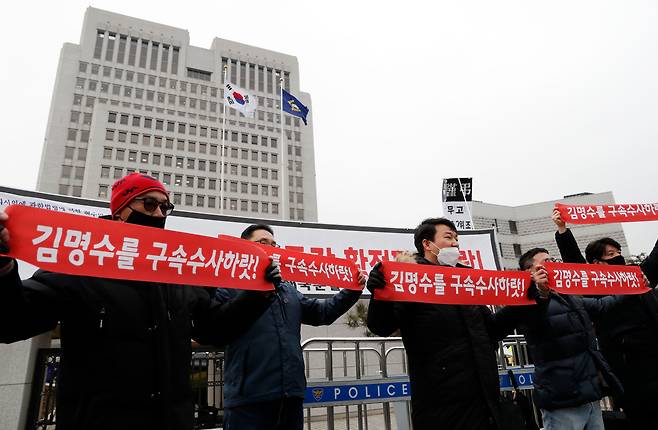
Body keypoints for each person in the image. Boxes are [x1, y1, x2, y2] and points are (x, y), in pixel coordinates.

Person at [0, 173, 277, 430]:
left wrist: (258, 294)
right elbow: (13, 322)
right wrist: (3, 271)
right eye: (148, 204)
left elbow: (215, 329)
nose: (158, 213)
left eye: (164, 207)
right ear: (120, 211)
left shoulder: (179, 269)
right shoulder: (77, 264)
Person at [366, 217, 518, 430]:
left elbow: (492, 330)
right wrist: (379, 293)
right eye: (448, 237)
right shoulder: (410, 283)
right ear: (427, 244)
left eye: (457, 238)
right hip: (441, 408)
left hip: (483, 403)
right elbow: (380, 326)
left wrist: (524, 301)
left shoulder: (465, 283)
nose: (455, 243)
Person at [215, 224, 365, 430]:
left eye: (274, 244)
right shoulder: (228, 285)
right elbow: (217, 327)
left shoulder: (287, 290)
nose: (271, 248)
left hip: (290, 396)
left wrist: (351, 290)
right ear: (244, 247)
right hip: (248, 399)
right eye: (263, 243)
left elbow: (323, 312)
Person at [496, 248, 626, 430]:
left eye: (553, 260)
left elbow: (601, 306)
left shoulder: (567, 296)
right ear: (529, 273)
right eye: (546, 262)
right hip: (561, 398)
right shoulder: (525, 303)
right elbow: (521, 317)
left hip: (589, 393)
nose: (553, 265)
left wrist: (631, 288)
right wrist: (539, 293)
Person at [552, 208, 658, 429]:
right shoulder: (596, 285)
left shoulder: (639, 276)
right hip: (626, 364)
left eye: (618, 252)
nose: (617, 256)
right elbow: (574, 260)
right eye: (610, 255)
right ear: (595, 264)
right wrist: (562, 230)